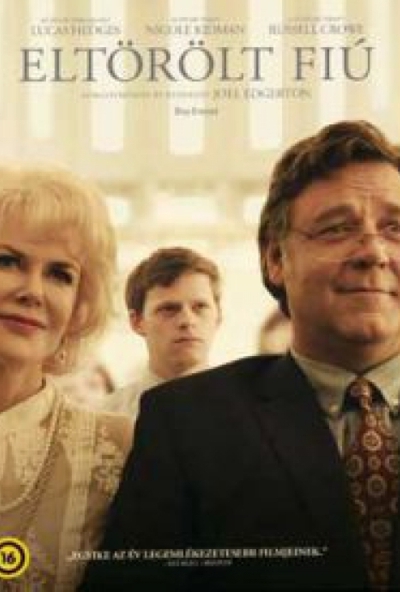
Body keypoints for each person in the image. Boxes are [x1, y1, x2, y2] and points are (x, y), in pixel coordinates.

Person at [80, 119, 400, 591]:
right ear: (275, 259)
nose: (374, 251)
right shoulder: (187, 422)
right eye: (336, 229)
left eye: (395, 228)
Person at [0, 165, 132, 591]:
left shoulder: (119, 450)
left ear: (80, 304)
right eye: (7, 261)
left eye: (60, 274)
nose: (33, 291)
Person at [105, 246, 221, 417]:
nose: (187, 321)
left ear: (219, 317)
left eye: (200, 307)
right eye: (169, 309)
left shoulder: (252, 411)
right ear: (137, 322)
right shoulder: (107, 416)